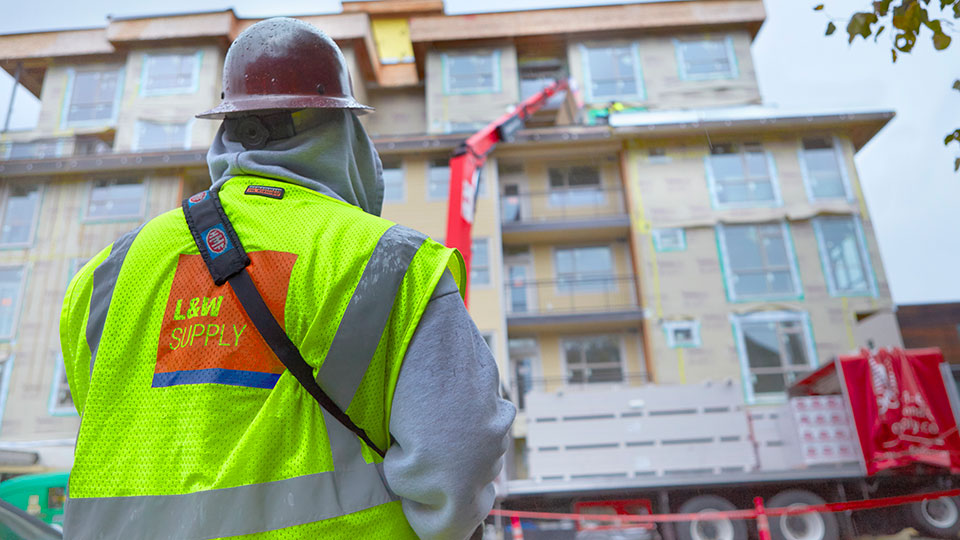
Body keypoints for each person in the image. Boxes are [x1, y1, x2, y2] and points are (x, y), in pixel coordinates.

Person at [59, 17, 515, 540]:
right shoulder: (389, 263)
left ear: (228, 130)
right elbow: (458, 451)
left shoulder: (105, 276)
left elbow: (107, 423)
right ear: (343, 133)